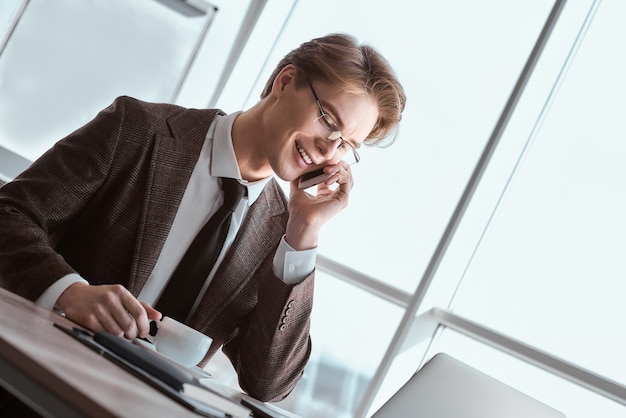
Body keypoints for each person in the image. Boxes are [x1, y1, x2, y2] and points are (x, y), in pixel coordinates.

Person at [0, 33, 405, 405]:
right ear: (285, 82)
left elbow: (269, 383)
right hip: (31, 384)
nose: (327, 148)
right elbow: (10, 212)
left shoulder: (281, 232)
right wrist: (69, 291)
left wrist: (303, 233)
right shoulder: (139, 129)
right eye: (328, 120)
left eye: (346, 145)